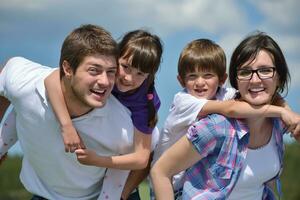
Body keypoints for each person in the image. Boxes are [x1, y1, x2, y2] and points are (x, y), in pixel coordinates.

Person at [151, 32, 300, 200]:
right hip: (174, 185)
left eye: (265, 70)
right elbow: (160, 171)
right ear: (236, 79)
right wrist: (282, 111)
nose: (255, 80)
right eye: (245, 72)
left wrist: (289, 112)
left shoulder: (277, 125)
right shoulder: (210, 120)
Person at [0, 24, 136, 200]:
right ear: (68, 69)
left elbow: (140, 162)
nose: (105, 81)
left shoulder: (122, 125)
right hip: (42, 195)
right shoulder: (27, 86)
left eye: (111, 72)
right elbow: (6, 75)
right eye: (94, 70)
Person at [43, 29, 163, 200]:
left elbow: (141, 158)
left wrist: (98, 160)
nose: (128, 78)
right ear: (115, 58)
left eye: (140, 74)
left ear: (149, 76)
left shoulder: (144, 101)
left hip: (120, 154)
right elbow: (52, 79)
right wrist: (67, 126)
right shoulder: (104, 75)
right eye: (125, 67)